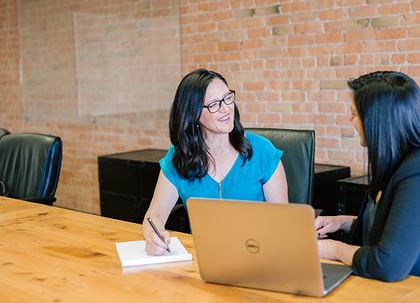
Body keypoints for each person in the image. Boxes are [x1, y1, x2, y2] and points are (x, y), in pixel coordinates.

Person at [143, 68, 288, 255]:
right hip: (203, 260)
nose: (226, 108)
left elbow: (283, 224)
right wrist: (153, 236)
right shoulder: (178, 158)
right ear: (193, 114)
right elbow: (154, 215)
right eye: (214, 104)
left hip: (258, 255)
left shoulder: (262, 151)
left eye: (228, 98)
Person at [316, 71, 420, 281]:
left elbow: (388, 263)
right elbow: (389, 226)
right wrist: (343, 222)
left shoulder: (415, 173)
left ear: (377, 121)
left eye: (354, 114)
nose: (349, 119)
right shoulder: (394, 163)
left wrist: (334, 249)